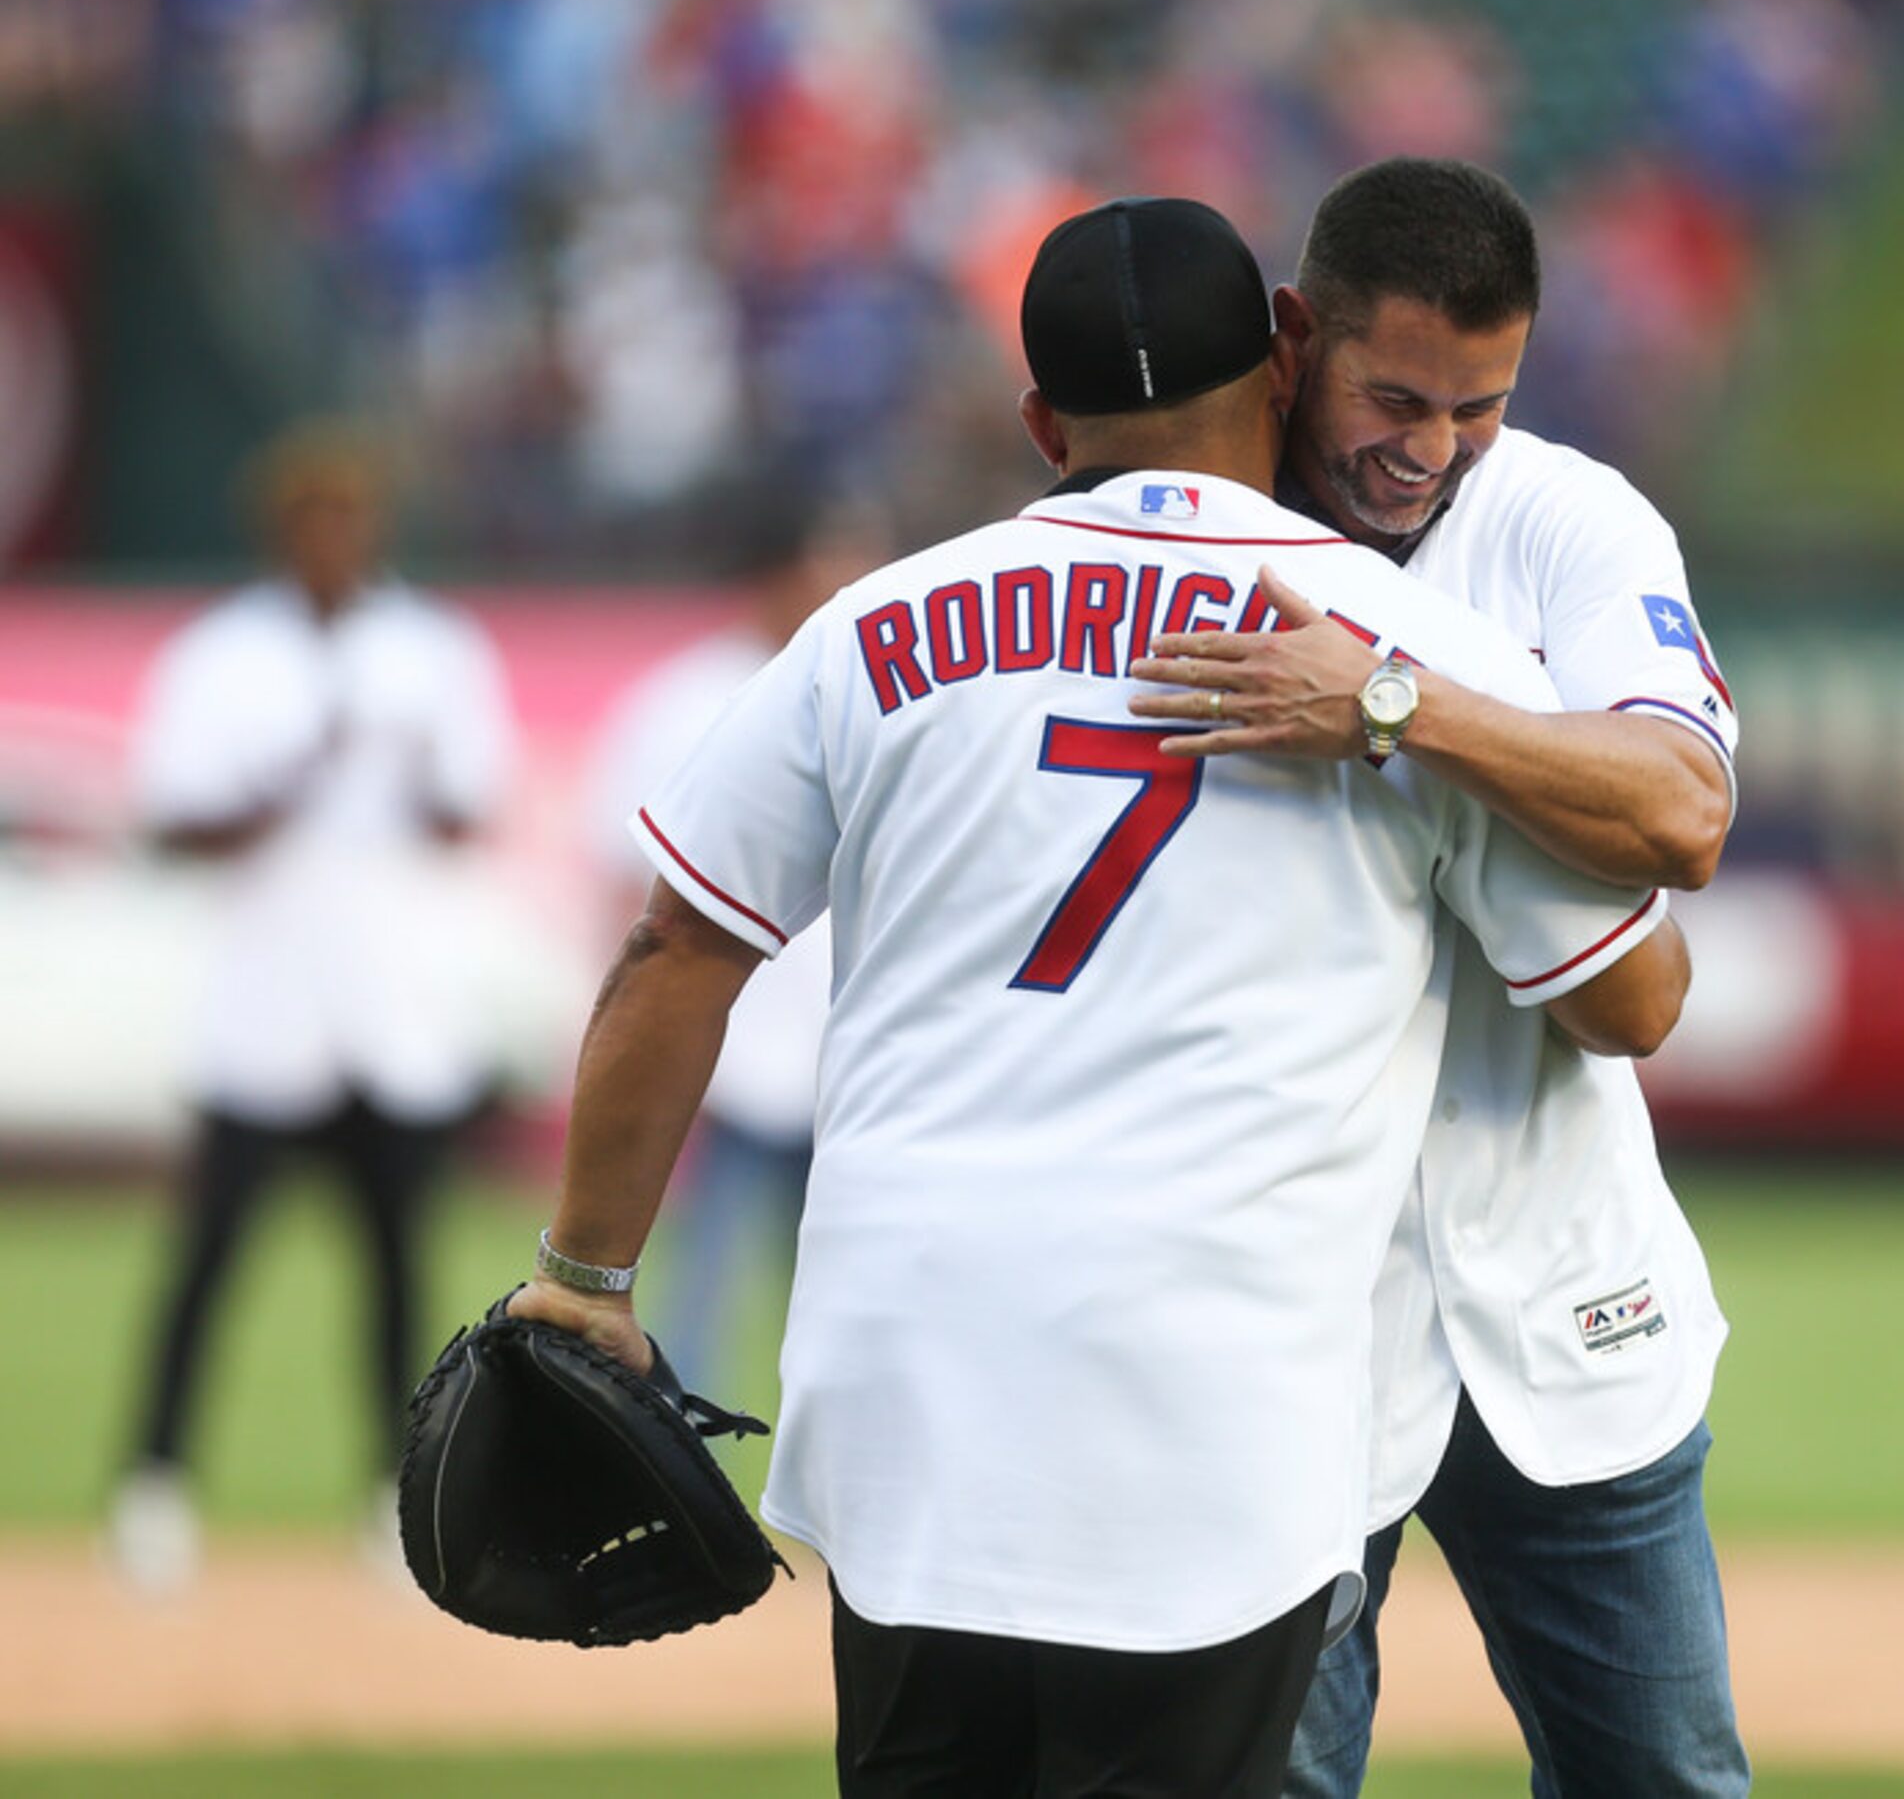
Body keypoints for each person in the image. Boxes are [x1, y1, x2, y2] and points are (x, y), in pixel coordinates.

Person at [503, 196, 1692, 1799]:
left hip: (904, 1390)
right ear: (1282, 372)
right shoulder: (1395, 645)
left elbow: (677, 947)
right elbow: (1633, 997)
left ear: (1042, 420)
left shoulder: (870, 629)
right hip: (1214, 1406)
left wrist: (584, 1275)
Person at [1122, 156, 1747, 1797]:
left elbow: (1682, 810)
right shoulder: (1173, 540)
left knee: (1668, 1782)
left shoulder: (1562, 516)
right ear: (1293, 336)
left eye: (1478, 403)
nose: (1431, 447)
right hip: (1290, 1320)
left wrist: (1395, 702)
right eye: (1394, 392)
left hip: (1561, 1273)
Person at [109, 425, 516, 1594]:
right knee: (208, 1268)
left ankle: (391, 1501)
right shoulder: (221, 657)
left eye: (351, 520)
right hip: (265, 1015)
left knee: (395, 1280)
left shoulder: (432, 650)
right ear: (283, 533)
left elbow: (466, 809)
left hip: (389, 1017)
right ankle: (155, 1484)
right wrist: (295, 773)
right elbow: (173, 822)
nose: (335, 542)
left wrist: (413, 762)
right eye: (313, 522)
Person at [585, 484, 880, 1399]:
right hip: (726, 1043)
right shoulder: (683, 699)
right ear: (782, 570)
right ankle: (670, 1469)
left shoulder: (870, 676)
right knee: (697, 1289)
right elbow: (623, 885)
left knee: (854, 1305)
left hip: (851, 1048)